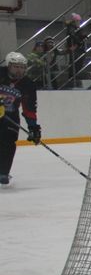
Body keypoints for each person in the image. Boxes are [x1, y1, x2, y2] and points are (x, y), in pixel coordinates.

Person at [0, 52, 41, 187]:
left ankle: (3, 172)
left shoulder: (28, 84)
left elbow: (29, 108)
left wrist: (33, 127)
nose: (19, 70)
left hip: (10, 117)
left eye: (22, 67)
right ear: (8, 66)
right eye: (16, 67)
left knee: (9, 142)